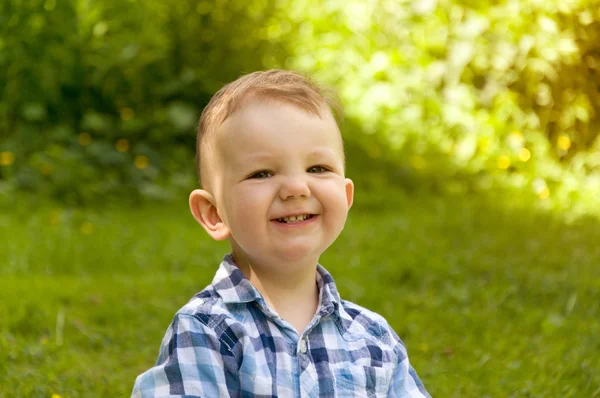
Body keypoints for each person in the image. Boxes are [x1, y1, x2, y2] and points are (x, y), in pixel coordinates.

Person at [132, 70, 430, 397]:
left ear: (346, 198)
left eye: (318, 168)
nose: (296, 188)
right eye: (262, 173)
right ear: (214, 214)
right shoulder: (205, 332)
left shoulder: (373, 340)